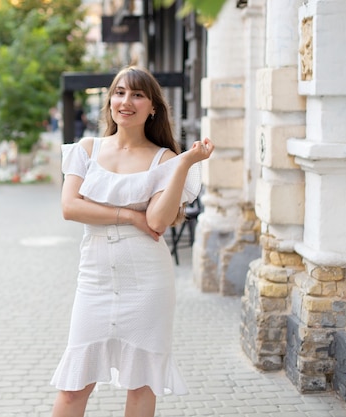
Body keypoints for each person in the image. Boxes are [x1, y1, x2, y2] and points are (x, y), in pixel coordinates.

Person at [51, 66, 214, 417]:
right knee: (72, 389)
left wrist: (184, 162)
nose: (127, 101)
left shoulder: (164, 159)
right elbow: (69, 206)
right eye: (120, 92)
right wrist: (128, 216)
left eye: (138, 95)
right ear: (110, 99)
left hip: (146, 282)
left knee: (140, 385)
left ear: (152, 107)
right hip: (94, 280)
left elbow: (157, 221)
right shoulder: (86, 149)